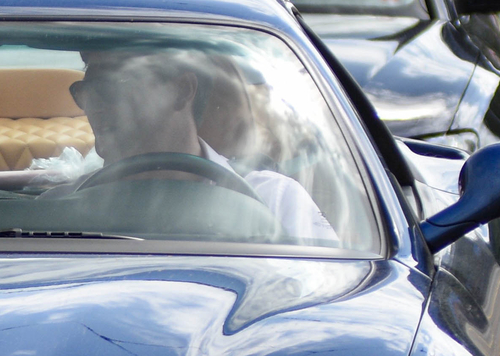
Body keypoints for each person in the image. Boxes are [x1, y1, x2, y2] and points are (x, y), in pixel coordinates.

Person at [61, 50, 335, 243]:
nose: (95, 106)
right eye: (87, 91)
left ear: (182, 91)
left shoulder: (276, 201)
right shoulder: (59, 210)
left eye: (113, 87)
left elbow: (323, 297)